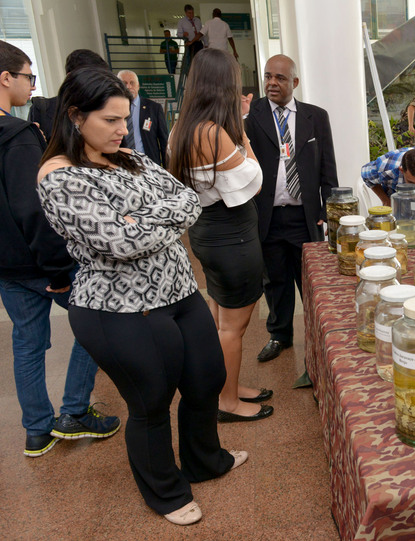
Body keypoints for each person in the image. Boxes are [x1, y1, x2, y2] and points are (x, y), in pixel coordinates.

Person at [37, 66, 246, 525]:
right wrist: (151, 220)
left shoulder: (131, 157)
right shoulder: (60, 176)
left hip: (180, 292)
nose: (121, 129)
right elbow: (120, 242)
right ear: (75, 116)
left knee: (206, 379)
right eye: (110, 120)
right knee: (151, 402)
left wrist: (138, 218)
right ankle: (166, 493)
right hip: (119, 309)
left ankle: (204, 461)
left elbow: (188, 200)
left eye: (124, 118)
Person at [0, 41, 120, 458]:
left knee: (27, 344)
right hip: (40, 261)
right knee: (97, 323)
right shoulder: (17, 136)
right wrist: (56, 271)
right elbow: (31, 209)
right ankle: (74, 410)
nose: (32, 86)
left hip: (6, 266)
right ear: (5, 78)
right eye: (27, 77)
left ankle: (36, 431)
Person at [169, 48, 271, 422]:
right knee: (232, 328)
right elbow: (253, 179)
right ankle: (227, 403)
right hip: (231, 239)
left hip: (207, 233)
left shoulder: (183, 127)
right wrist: (243, 135)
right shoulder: (212, 133)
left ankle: (228, 386)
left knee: (219, 320)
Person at [244, 54, 338, 382]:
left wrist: (329, 213)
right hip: (267, 216)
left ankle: (318, 338)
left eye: (280, 78)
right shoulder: (251, 116)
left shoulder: (316, 117)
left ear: (294, 82)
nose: (272, 82)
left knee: (311, 284)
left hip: (304, 217)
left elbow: (327, 167)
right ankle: (279, 335)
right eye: (268, 76)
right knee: (275, 281)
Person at [28, 48, 108, 140]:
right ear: (70, 77)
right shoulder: (43, 109)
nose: (98, 84)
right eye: (91, 78)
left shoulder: (105, 107)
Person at [118, 70, 169, 167]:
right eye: (124, 83)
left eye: (132, 83)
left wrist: (168, 166)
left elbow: (164, 140)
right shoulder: (112, 109)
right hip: (122, 163)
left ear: (138, 86)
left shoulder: (154, 108)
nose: (128, 87)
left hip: (149, 163)